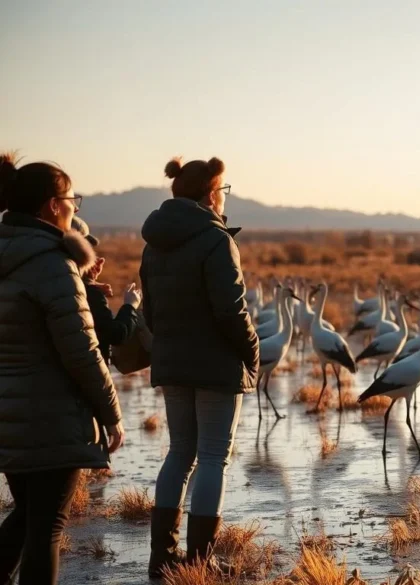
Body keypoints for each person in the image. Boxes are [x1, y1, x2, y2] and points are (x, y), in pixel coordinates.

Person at [0, 152, 125, 585]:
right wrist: (111, 412)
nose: (75, 207)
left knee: (29, 516)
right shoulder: (53, 262)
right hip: (51, 418)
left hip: (8, 417)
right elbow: (81, 351)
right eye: (73, 199)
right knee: (46, 527)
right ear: (53, 205)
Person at [140, 156, 259, 578]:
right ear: (211, 194)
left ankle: (162, 557)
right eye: (223, 190)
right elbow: (232, 310)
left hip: (172, 364)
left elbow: (149, 314)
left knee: (179, 452)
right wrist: (252, 350)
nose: (224, 198)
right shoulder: (215, 239)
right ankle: (198, 563)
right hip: (215, 365)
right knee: (213, 457)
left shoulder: (154, 242)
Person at [71, 217, 142, 365]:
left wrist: (89, 280)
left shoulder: (55, 281)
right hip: (88, 371)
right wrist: (130, 306)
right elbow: (116, 335)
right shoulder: (89, 293)